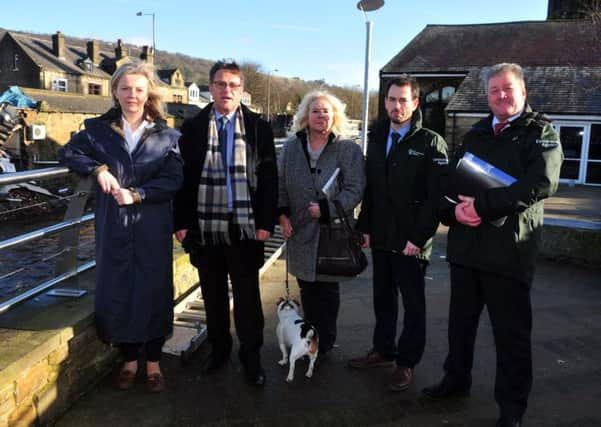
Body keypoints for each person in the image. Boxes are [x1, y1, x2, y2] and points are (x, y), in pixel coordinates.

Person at [422, 63, 563, 427]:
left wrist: (481, 207)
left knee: (511, 336)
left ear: (523, 91)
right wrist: (454, 213)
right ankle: (456, 379)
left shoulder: (541, 132)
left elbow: (540, 184)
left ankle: (512, 409)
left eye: (508, 88)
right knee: (460, 325)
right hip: (467, 248)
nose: (501, 95)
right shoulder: (477, 132)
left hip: (508, 251)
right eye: (494, 90)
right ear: (486, 97)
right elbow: (453, 183)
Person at [58, 61, 183, 393]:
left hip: (152, 224)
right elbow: (67, 152)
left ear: (148, 93)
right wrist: (97, 169)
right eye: (125, 88)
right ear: (114, 91)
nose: (132, 95)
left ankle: (153, 363)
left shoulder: (167, 135)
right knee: (118, 288)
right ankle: (129, 361)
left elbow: (173, 180)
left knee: (154, 289)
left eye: (139, 89)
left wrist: (139, 194)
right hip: (113, 224)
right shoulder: (97, 130)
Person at [173, 60, 278, 386]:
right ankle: (219, 350)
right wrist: (182, 222)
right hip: (205, 226)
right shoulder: (192, 126)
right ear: (211, 87)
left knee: (247, 297)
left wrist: (266, 222)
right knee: (213, 294)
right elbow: (183, 179)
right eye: (220, 84)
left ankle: (251, 356)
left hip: (244, 226)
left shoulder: (259, 127)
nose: (227, 90)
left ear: (242, 90)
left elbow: (269, 177)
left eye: (233, 85)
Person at [349, 76, 449, 392]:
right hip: (381, 237)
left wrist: (418, 239)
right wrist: (364, 226)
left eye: (403, 100)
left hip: (412, 243)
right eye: (391, 99)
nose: (396, 106)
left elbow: (436, 198)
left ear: (415, 103)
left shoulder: (431, 142)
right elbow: (373, 191)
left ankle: (406, 363)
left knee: (413, 305)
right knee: (383, 299)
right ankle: (383, 351)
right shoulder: (377, 140)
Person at [278, 90, 365, 356]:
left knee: (327, 290)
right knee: (307, 288)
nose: (321, 115)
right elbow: (280, 184)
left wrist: (326, 209)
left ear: (335, 116)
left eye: (326, 111)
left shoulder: (348, 149)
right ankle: (307, 338)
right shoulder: (291, 147)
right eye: (315, 110)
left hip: (331, 232)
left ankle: (323, 343)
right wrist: (281, 216)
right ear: (306, 115)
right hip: (301, 229)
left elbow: (355, 188)